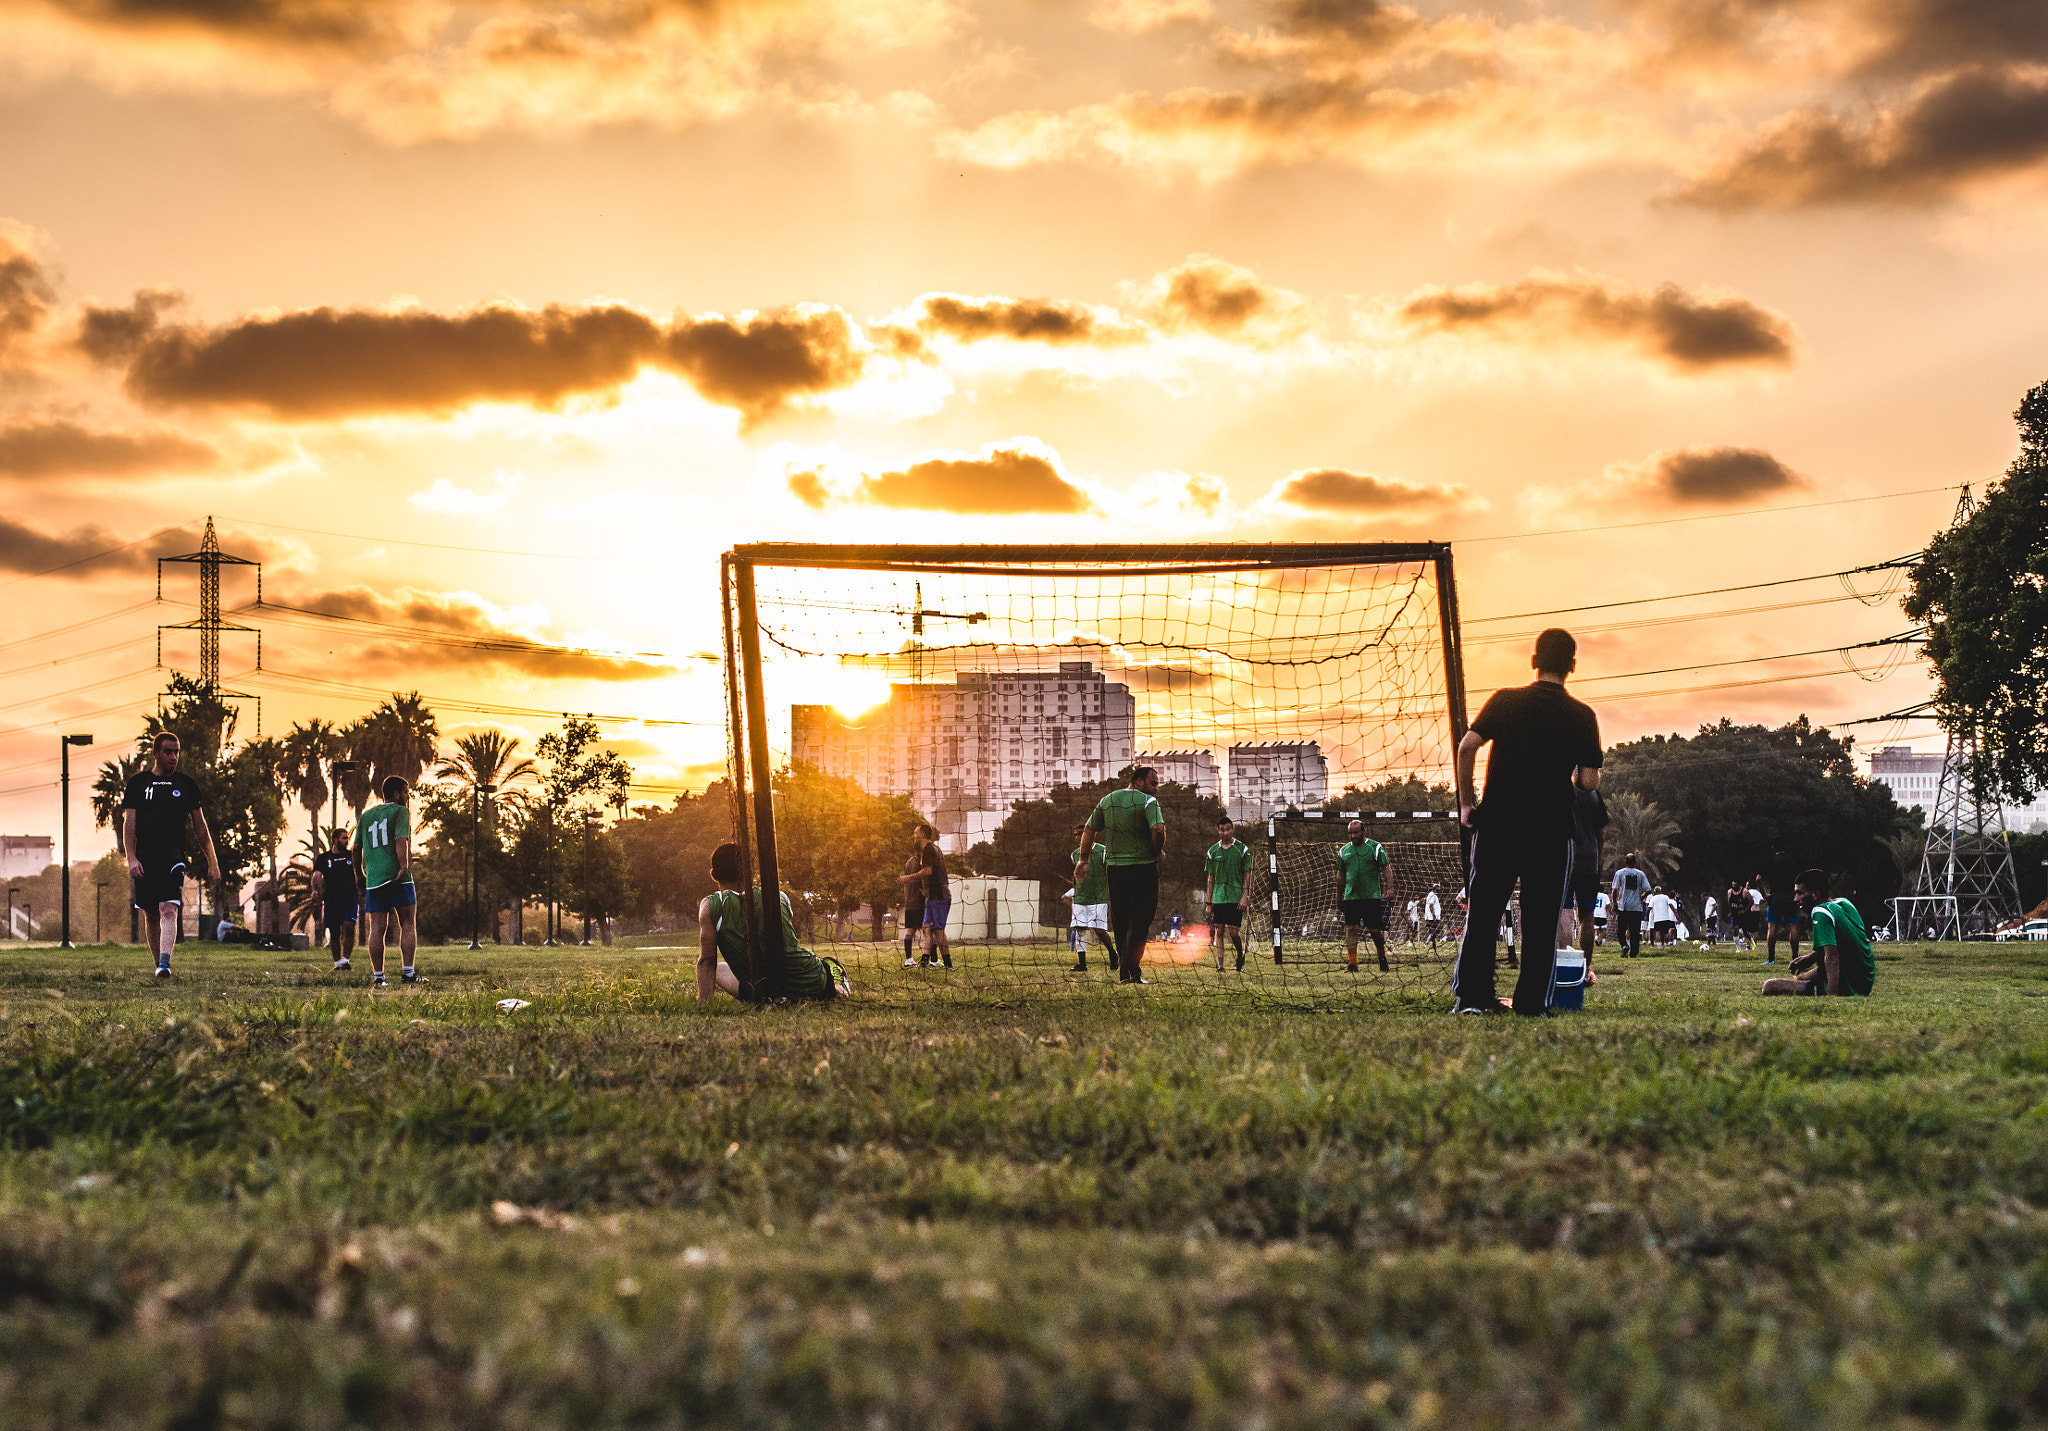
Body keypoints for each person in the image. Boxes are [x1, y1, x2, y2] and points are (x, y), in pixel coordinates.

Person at [1451, 629, 1602, 1015]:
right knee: (1541, 920)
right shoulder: (1583, 715)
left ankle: (1472, 998)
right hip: (1551, 831)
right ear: (1572, 666)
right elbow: (1588, 781)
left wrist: (1467, 805)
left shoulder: (1505, 700)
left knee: (1483, 913)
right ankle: (1531, 1003)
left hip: (1499, 823)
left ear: (1534, 661)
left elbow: (1466, 746)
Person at [121, 731, 222, 979]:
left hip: (173, 858)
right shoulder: (138, 784)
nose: (173, 757)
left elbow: (201, 827)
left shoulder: (186, 785)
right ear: (155, 753)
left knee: (168, 908)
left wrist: (213, 862)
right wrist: (131, 858)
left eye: (176, 751)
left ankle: (165, 963)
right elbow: (129, 825)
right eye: (168, 751)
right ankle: (159, 965)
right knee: (151, 914)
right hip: (145, 859)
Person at [697, 842, 848, 1002]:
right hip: (810, 982)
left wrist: (703, 1005)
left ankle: (831, 983)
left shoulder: (709, 907)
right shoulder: (779, 897)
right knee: (722, 969)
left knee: (719, 969)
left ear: (713, 875)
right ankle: (835, 987)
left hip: (763, 992)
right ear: (750, 871)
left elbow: (707, 960)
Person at [1080, 765, 1164, 985]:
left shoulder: (1107, 800)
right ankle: (1132, 971)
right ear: (1138, 782)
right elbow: (1158, 829)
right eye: (1153, 783)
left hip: (1115, 870)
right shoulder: (1148, 802)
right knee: (1140, 922)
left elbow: (1089, 829)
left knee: (1121, 922)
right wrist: (1156, 852)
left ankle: (1125, 972)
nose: (1156, 788)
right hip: (1143, 868)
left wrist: (1083, 859)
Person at [354, 776, 421, 987]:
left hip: (374, 878)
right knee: (408, 923)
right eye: (406, 792)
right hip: (396, 876)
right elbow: (401, 840)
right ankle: (408, 973)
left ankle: (378, 977)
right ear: (396, 794)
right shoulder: (401, 811)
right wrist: (403, 866)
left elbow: (356, 848)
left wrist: (359, 873)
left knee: (377, 928)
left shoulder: (366, 815)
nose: (408, 796)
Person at [1763, 869, 1874, 998]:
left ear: (1815, 894)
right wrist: (1809, 958)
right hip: (1863, 980)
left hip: (1847, 985)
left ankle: (1829, 990)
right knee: (1801, 978)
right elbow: (1847, 943)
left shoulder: (1821, 912)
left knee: (1769, 986)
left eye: (1799, 893)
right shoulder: (1844, 903)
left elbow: (1832, 957)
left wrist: (1831, 996)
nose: (1795, 899)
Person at [1335, 819, 1392, 973]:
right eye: (1350, 833)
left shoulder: (1375, 847)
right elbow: (1340, 874)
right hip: (1351, 897)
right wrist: (1338, 895)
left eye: (1356, 832)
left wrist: (1389, 887)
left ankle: (1382, 959)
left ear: (1363, 831)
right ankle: (1352, 964)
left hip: (1371, 896)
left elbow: (1386, 867)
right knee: (1351, 929)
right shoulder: (1344, 851)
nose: (1353, 836)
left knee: (1375, 931)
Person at [896, 823, 952, 969]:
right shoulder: (933, 849)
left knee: (938, 931)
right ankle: (925, 962)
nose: (913, 835)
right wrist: (925, 890)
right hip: (931, 896)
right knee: (927, 929)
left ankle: (947, 963)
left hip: (939, 896)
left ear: (921, 834)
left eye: (915, 833)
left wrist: (907, 878)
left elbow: (928, 871)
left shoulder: (928, 849)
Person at [1064, 823, 1115, 973]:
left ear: (1090, 835)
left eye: (1080, 834)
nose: (1078, 837)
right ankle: (1082, 964)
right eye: (1075, 835)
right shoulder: (1074, 854)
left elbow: (1110, 872)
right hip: (1080, 898)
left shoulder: (1103, 851)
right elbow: (1075, 876)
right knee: (1079, 929)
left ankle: (1113, 954)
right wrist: (1075, 891)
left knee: (1099, 930)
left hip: (1098, 897)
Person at [1205, 816, 1252, 972]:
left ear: (1232, 829)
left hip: (1235, 896)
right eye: (1222, 830)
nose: (1225, 832)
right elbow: (1210, 878)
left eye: (1228, 829)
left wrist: (1245, 896)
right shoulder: (1212, 851)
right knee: (1219, 930)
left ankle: (1240, 955)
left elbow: (1247, 874)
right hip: (1219, 897)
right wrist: (1208, 902)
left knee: (1233, 932)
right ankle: (1221, 966)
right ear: (1218, 831)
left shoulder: (1242, 849)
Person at [1569, 780, 1607, 966]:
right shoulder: (1594, 795)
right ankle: (1586, 968)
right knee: (1587, 915)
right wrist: (1598, 860)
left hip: (1564, 861)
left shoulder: (1558, 791)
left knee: (1563, 913)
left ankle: (1563, 965)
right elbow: (1601, 833)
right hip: (1588, 863)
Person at [311, 827, 358, 972]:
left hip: (350, 898)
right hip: (331, 900)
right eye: (344, 838)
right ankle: (338, 964)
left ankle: (346, 960)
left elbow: (361, 872)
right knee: (335, 932)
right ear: (335, 840)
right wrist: (315, 890)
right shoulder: (324, 858)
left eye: (348, 838)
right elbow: (316, 875)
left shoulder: (352, 856)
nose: (347, 841)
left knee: (349, 927)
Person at [1764, 846, 1800, 967]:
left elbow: (1758, 878)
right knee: (1793, 927)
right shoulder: (1792, 861)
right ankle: (1795, 957)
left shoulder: (1772, 861)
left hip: (1775, 897)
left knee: (1772, 927)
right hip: (1790, 897)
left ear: (1773, 847)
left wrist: (1765, 895)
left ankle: (1771, 958)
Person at [1611, 855, 1648, 959]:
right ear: (1635, 862)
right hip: (1636, 907)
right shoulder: (1640, 874)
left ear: (1624, 861)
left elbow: (1614, 890)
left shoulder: (1619, 873)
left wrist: (1614, 904)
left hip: (1623, 906)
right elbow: (1648, 889)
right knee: (1635, 931)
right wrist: (1641, 897)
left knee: (1621, 930)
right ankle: (1634, 953)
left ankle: (1624, 945)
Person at [898, 839, 926, 968]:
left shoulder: (908, 862)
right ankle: (933, 959)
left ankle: (909, 958)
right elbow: (924, 879)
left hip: (910, 901)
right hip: (920, 900)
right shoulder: (922, 863)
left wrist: (907, 897)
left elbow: (905, 882)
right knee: (928, 930)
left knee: (910, 930)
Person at [1423, 884, 1444, 952]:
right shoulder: (1432, 895)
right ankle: (1427, 943)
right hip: (1432, 917)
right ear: (1435, 888)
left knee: (1434, 932)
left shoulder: (1433, 895)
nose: (1439, 889)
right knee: (1433, 931)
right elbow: (1430, 905)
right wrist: (1434, 916)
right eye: (1438, 887)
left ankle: (1433, 945)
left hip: (1433, 916)